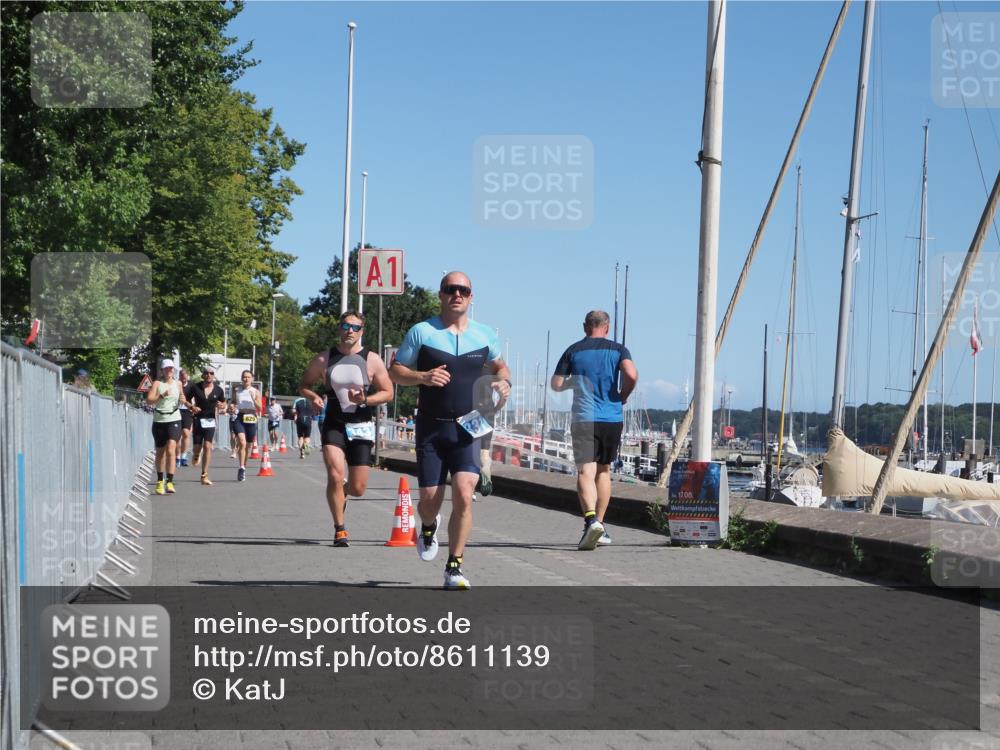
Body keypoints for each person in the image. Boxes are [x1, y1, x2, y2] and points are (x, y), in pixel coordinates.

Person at [389, 272, 511, 589]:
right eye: (450, 289)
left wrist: (503, 381)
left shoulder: (485, 335)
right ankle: (428, 526)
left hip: (470, 425)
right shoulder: (422, 332)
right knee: (429, 500)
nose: (457, 294)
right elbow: (395, 372)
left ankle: (454, 567)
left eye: (463, 290)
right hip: (432, 425)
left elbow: (501, 367)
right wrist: (423, 377)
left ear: (471, 297)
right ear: (441, 295)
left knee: (464, 494)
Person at [298, 311, 394, 547]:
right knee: (334, 474)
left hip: (361, 424)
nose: (349, 330)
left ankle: (344, 491)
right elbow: (304, 384)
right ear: (339, 328)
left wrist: (366, 400)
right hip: (334, 423)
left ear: (362, 331)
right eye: (345, 326)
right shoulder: (324, 359)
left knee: (358, 488)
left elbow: (388, 392)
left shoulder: (371, 359)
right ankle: (339, 529)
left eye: (355, 327)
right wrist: (313, 396)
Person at [551, 310, 638, 550]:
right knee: (604, 471)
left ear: (584, 326)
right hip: (611, 417)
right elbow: (631, 374)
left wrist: (573, 382)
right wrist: (622, 396)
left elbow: (556, 384)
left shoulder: (573, 350)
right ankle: (600, 523)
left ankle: (590, 520)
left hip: (583, 418)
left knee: (584, 472)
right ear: (606, 327)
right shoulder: (619, 349)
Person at [146, 358, 189, 495]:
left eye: (171, 368)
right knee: (160, 451)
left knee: (171, 448)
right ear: (162, 370)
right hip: (159, 420)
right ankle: (160, 481)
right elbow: (149, 401)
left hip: (174, 418)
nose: (169, 370)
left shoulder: (178, 383)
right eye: (167, 368)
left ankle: (169, 481)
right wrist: (161, 396)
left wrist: (185, 401)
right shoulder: (157, 383)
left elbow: (182, 398)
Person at [186, 366, 227, 485]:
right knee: (197, 448)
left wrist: (222, 405)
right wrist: (192, 407)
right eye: (206, 373)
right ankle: (196, 455)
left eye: (211, 373)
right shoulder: (195, 387)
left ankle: (204, 475)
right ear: (203, 375)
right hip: (198, 419)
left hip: (210, 420)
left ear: (214, 376)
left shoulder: (219, 390)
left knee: (208, 446)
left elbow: (224, 402)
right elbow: (186, 400)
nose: (209, 375)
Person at [230, 370, 262, 482]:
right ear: (241, 378)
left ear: (252, 379)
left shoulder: (256, 391)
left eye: (248, 377)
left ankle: (244, 464)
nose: (246, 379)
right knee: (242, 442)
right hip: (240, 416)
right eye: (244, 377)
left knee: (248, 446)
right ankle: (241, 468)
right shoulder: (237, 390)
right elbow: (233, 402)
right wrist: (232, 407)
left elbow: (260, 408)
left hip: (251, 416)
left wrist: (253, 399)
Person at [176, 369, 194, 467]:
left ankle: (184, 456)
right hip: (177, 410)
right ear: (179, 376)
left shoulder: (192, 385)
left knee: (186, 434)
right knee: (177, 435)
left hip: (187, 411)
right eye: (181, 375)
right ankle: (177, 457)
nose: (183, 377)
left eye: (185, 375)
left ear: (187, 376)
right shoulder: (176, 384)